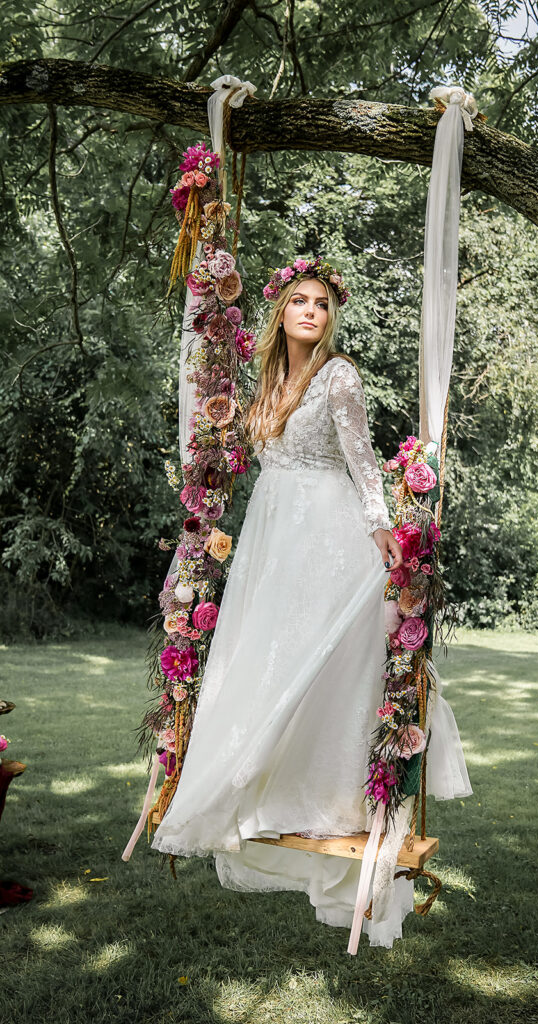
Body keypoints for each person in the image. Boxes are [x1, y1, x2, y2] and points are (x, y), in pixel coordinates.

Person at [151, 258, 472, 948]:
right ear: (280, 311)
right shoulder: (266, 380)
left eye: (320, 303)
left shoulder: (338, 376)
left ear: (330, 317)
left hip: (326, 533)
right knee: (262, 658)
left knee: (323, 660)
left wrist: (381, 525)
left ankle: (335, 797)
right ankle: (258, 786)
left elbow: (360, 461)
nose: (309, 311)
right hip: (273, 535)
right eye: (298, 300)